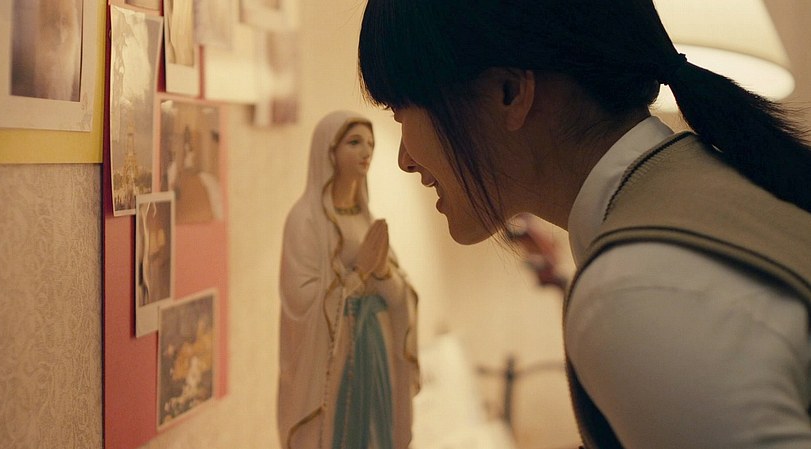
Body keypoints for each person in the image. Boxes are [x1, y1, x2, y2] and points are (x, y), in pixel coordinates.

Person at [357, 1, 811, 448]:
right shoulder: (707, 194)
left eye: (401, 113)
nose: (404, 160)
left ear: (509, 93)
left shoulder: (635, 293)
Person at [278, 111, 420, 449]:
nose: (366, 151)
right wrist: (360, 275)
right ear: (328, 150)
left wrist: (381, 272)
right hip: (334, 359)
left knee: (376, 430)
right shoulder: (305, 220)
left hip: (375, 346)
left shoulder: (365, 218)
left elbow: (400, 296)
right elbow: (301, 301)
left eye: (370, 144)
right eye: (354, 142)